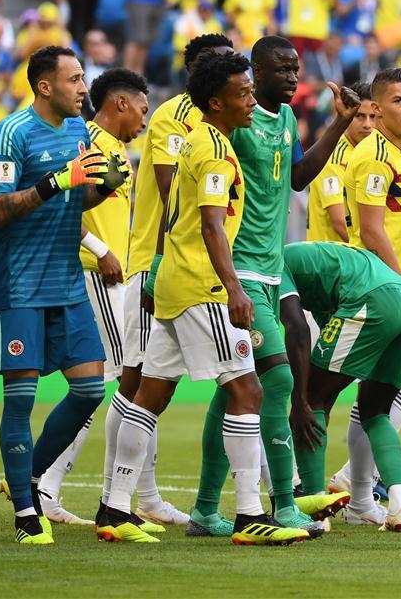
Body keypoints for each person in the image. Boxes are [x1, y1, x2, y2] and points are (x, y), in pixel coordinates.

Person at [99, 51, 308, 547]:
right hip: (202, 286)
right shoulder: (214, 150)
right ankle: (250, 516)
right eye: (243, 92)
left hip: (173, 279)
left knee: (151, 393)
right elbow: (212, 225)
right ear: (217, 103)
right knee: (247, 391)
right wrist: (234, 288)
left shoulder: (201, 140)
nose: (251, 99)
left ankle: (114, 506)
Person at [190, 35, 359, 536]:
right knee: (275, 381)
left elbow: (300, 177)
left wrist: (339, 124)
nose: (292, 77)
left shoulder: (285, 120)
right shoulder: (233, 126)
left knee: (238, 386)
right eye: (282, 69)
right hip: (239, 268)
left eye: (297, 69)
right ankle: (284, 504)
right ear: (255, 76)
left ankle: (204, 509)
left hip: (273, 264)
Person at [0, 45, 129, 544]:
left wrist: (104, 186)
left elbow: (78, 195)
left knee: (90, 389)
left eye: (84, 77)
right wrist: (53, 182)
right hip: (18, 285)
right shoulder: (9, 134)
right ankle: (27, 514)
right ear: (45, 86)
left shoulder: (77, 131)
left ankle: (23, 478)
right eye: (74, 79)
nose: (84, 87)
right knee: (20, 401)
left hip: (66, 282)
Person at [116, 34, 234, 539]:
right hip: (159, 261)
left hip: (190, 265)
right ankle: (69, 489)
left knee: (150, 388)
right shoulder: (171, 117)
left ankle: (132, 501)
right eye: (212, 64)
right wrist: (164, 260)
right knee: (133, 382)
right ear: (194, 73)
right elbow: (173, 196)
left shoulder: (223, 127)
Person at [34, 68, 152, 526]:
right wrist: (101, 249)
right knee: (123, 381)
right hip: (97, 275)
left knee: (112, 383)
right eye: (142, 108)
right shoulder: (87, 142)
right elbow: (60, 204)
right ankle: (54, 486)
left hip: (114, 274)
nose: (145, 117)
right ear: (121, 103)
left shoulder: (115, 149)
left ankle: (56, 487)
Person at [329, 67, 401, 519]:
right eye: (398, 101)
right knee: (332, 393)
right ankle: (339, 490)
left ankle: (357, 492)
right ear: (375, 106)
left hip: (384, 285)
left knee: (391, 387)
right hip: (371, 286)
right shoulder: (374, 156)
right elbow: (371, 231)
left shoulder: (395, 156)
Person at [283, 241, 401, 531]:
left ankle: (314, 507)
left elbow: (296, 327)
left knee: (311, 400)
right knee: (375, 412)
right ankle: (399, 504)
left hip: (372, 300)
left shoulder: (275, 264)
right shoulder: (319, 263)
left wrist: (302, 399)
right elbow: (328, 335)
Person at [306, 81, 374, 243]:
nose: (367, 125)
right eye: (359, 116)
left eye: (373, 117)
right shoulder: (334, 156)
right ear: (349, 114)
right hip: (329, 261)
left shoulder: (365, 153)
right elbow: (339, 222)